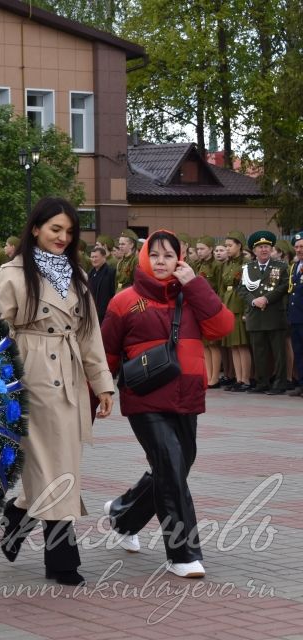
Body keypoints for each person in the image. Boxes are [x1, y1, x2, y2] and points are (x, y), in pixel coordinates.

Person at [0, 196, 114, 587]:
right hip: (31, 376)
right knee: (53, 466)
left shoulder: (77, 274)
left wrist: (103, 385)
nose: (62, 237)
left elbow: (90, 333)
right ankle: (62, 559)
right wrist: (6, 380)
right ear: (35, 229)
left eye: (68, 231)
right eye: (55, 229)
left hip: (71, 374)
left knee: (57, 465)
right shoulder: (12, 272)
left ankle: (19, 514)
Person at [101, 230, 234, 579]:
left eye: (168, 255)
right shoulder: (124, 301)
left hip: (187, 396)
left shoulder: (192, 295)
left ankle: (123, 513)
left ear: (180, 259)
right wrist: (98, 393)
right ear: (145, 257)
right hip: (145, 398)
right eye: (155, 255)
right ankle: (183, 553)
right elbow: (107, 353)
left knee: (176, 465)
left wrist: (196, 286)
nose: (161, 262)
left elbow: (222, 326)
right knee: (172, 467)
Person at [238, 230, 289, 394]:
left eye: (267, 246)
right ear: (254, 250)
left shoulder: (280, 266)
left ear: (271, 248)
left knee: (278, 352)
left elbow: (283, 287)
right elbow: (241, 288)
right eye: (260, 247)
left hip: (274, 313)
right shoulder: (247, 268)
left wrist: (265, 299)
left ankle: (280, 383)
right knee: (259, 352)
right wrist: (253, 300)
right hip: (255, 314)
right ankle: (262, 382)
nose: (264, 250)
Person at [220, 231, 252, 391]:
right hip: (228, 304)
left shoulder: (246, 263)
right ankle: (238, 379)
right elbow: (222, 287)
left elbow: (249, 288)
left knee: (242, 345)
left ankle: (245, 379)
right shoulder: (227, 264)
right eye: (226, 246)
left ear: (239, 245)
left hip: (240, 305)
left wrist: (247, 310)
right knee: (233, 345)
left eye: (230, 245)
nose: (227, 249)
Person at [194, 237, 223, 387]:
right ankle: (208, 374)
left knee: (213, 344)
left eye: (202, 248)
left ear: (211, 249)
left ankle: (215, 377)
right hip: (200, 306)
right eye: (198, 249)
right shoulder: (199, 264)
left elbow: (219, 287)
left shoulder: (216, 266)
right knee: (205, 344)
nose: (199, 251)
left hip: (211, 306)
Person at [288, 231, 303, 396]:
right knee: (298, 352)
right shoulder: (294, 267)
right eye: (297, 246)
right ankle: (301, 383)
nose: (298, 250)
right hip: (296, 317)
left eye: (301, 247)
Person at [87, 245, 116, 324]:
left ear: (104, 257)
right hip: (92, 312)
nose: (93, 259)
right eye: (92, 257)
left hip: (105, 314)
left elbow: (113, 293)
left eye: (96, 257)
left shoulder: (111, 272)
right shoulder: (90, 273)